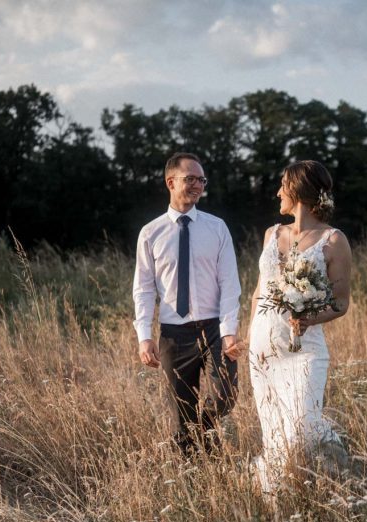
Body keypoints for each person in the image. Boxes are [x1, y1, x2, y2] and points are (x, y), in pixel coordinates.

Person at [245, 160, 352, 493]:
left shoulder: (334, 241)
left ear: (298, 189)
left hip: (304, 349)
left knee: (302, 428)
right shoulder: (271, 233)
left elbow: (340, 303)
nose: (277, 192)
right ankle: (277, 496)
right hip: (263, 346)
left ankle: (336, 459)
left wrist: (308, 319)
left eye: (282, 185)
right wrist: (247, 338)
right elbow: (257, 293)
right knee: (273, 430)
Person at [133, 152, 242, 456]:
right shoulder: (150, 233)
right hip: (173, 333)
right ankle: (194, 479)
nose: (198, 185)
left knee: (226, 395)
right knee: (180, 416)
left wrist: (229, 329)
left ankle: (203, 428)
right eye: (190, 179)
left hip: (215, 328)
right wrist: (144, 336)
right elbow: (142, 288)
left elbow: (230, 283)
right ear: (171, 182)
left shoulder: (217, 228)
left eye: (202, 180)